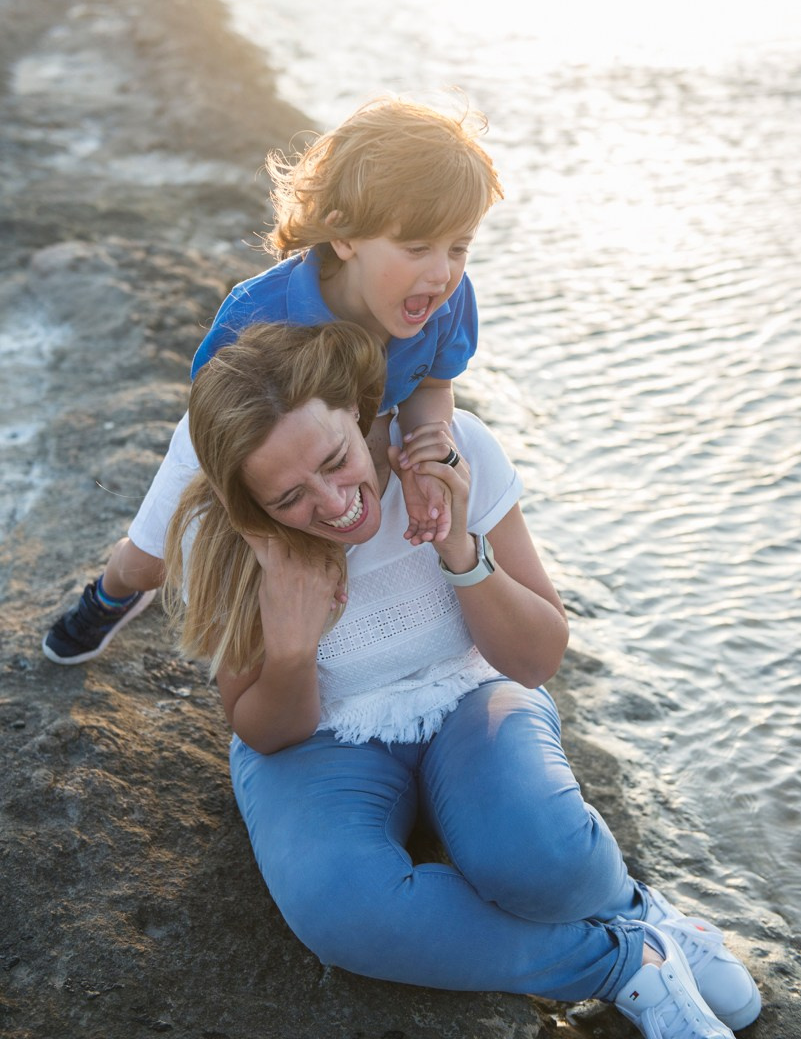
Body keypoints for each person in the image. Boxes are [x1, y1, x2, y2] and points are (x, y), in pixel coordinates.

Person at [163, 320, 761, 1039]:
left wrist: (459, 551)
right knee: (341, 909)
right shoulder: (226, 539)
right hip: (323, 737)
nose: (329, 502)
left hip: (467, 692)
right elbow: (261, 729)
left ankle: (630, 902)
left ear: (357, 410)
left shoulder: (451, 452)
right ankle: (625, 961)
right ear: (250, 505)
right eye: (288, 498)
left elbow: (536, 661)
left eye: (334, 459)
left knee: (538, 855)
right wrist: (290, 650)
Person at [42, 95, 503, 665]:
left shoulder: (446, 300)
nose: (442, 273)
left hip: (354, 439)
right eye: (416, 248)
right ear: (344, 234)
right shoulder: (259, 313)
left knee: (345, 540)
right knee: (150, 557)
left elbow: (432, 383)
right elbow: (218, 425)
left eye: (459, 247)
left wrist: (435, 443)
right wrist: (265, 533)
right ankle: (112, 595)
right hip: (238, 440)